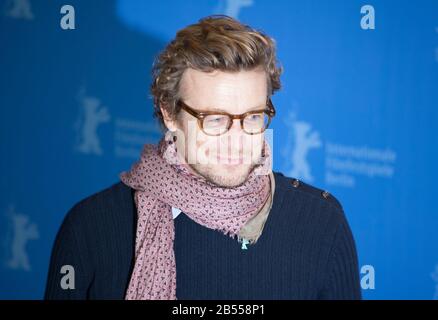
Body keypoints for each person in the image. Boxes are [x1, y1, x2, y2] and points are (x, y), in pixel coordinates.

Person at [45, 15, 361, 300]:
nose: (236, 140)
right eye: (213, 119)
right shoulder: (92, 227)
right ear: (169, 113)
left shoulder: (320, 223)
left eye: (252, 117)